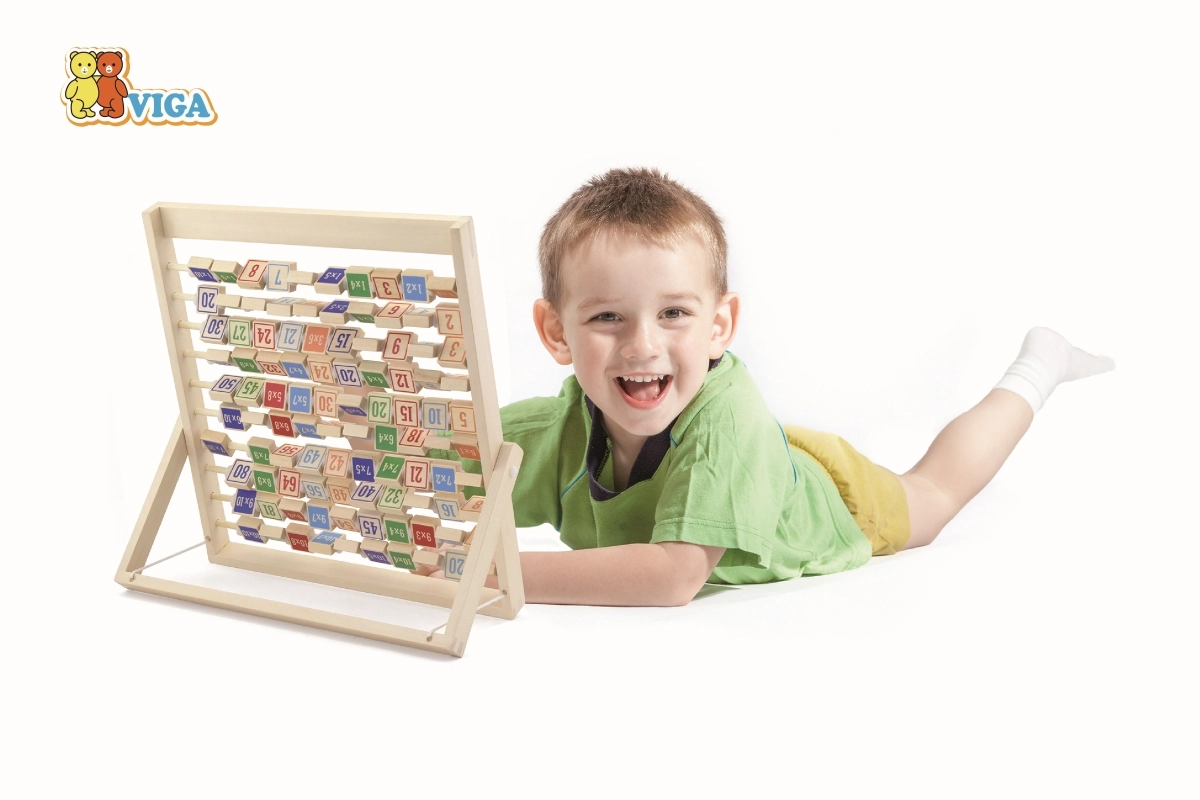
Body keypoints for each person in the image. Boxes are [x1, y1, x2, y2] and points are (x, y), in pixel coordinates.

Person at [448, 167, 1115, 606]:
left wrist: (491, 572)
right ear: (556, 331)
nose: (642, 344)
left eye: (674, 312)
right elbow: (440, 471)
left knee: (935, 494)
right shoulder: (552, 431)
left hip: (834, 499)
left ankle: (1040, 365)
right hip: (756, 457)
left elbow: (673, 576)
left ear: (719, 326)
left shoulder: (725, 423)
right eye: (606, 318)